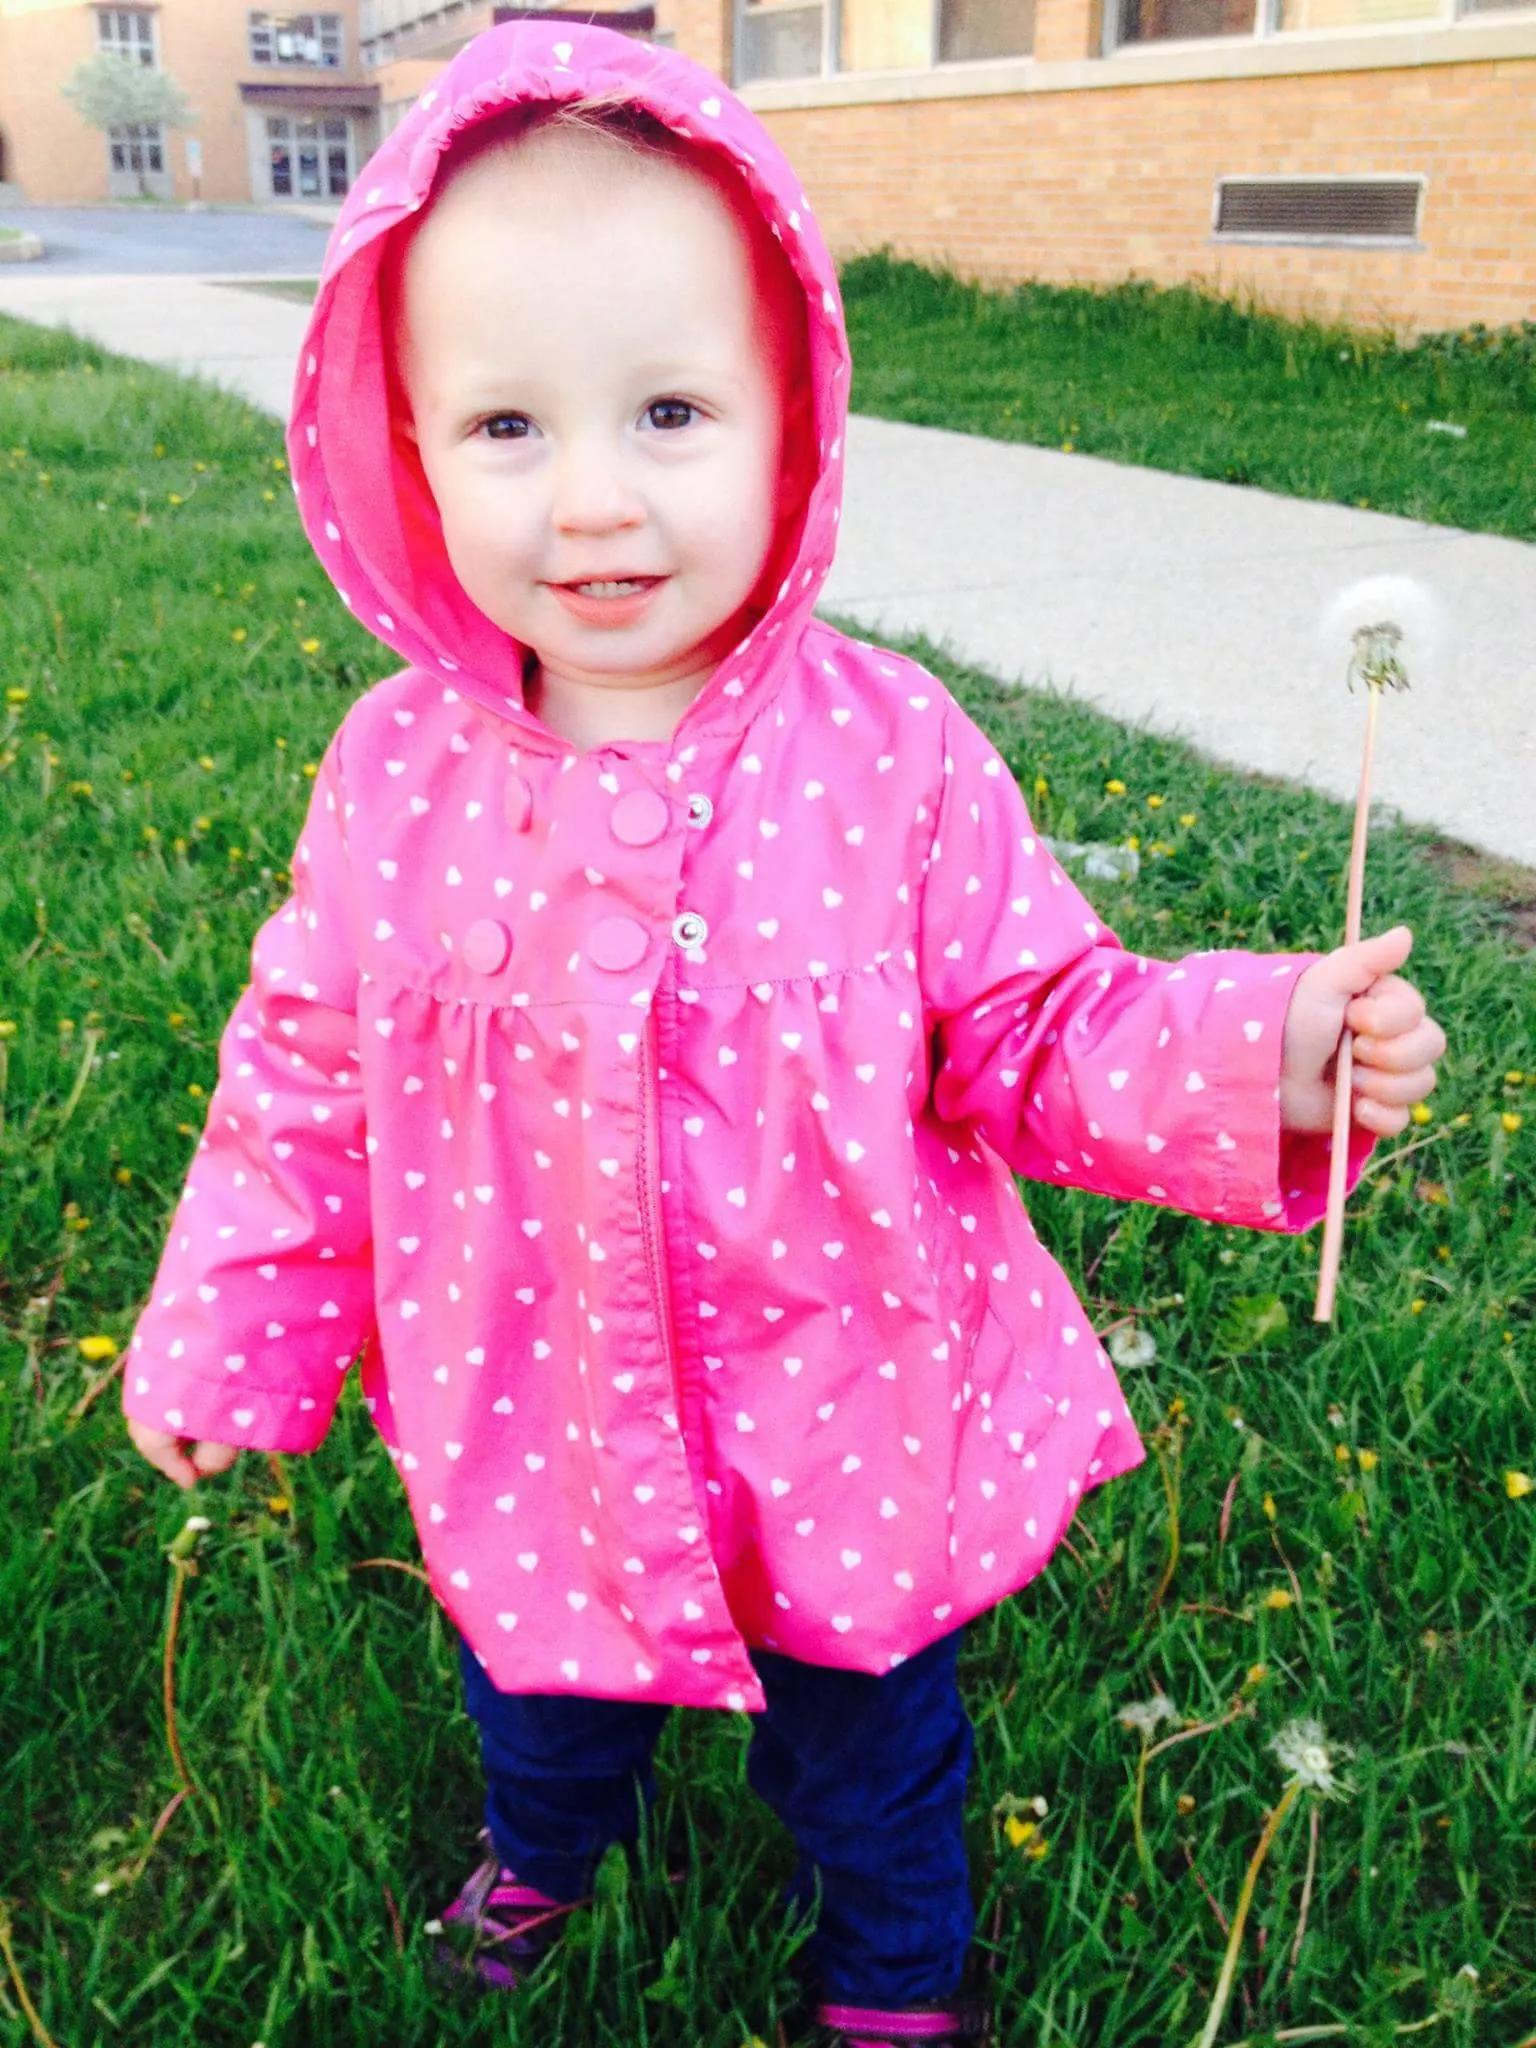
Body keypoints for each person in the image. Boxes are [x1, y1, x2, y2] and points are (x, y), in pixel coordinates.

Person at [120, 23, 1445, 2046]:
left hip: (847, 1415)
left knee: (872, 1742)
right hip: (540, 1409)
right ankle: (543, 1849)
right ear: (402, 444)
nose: (595, 501)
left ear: (792, 414)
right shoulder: (395, 779)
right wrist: (235, 1322)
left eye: (668, 410)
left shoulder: (888, 748)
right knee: (539, 1686)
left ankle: (897, 1976)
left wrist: (1258, 1047)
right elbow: (304, 1076)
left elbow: (1037, 1018)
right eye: (504, 427)